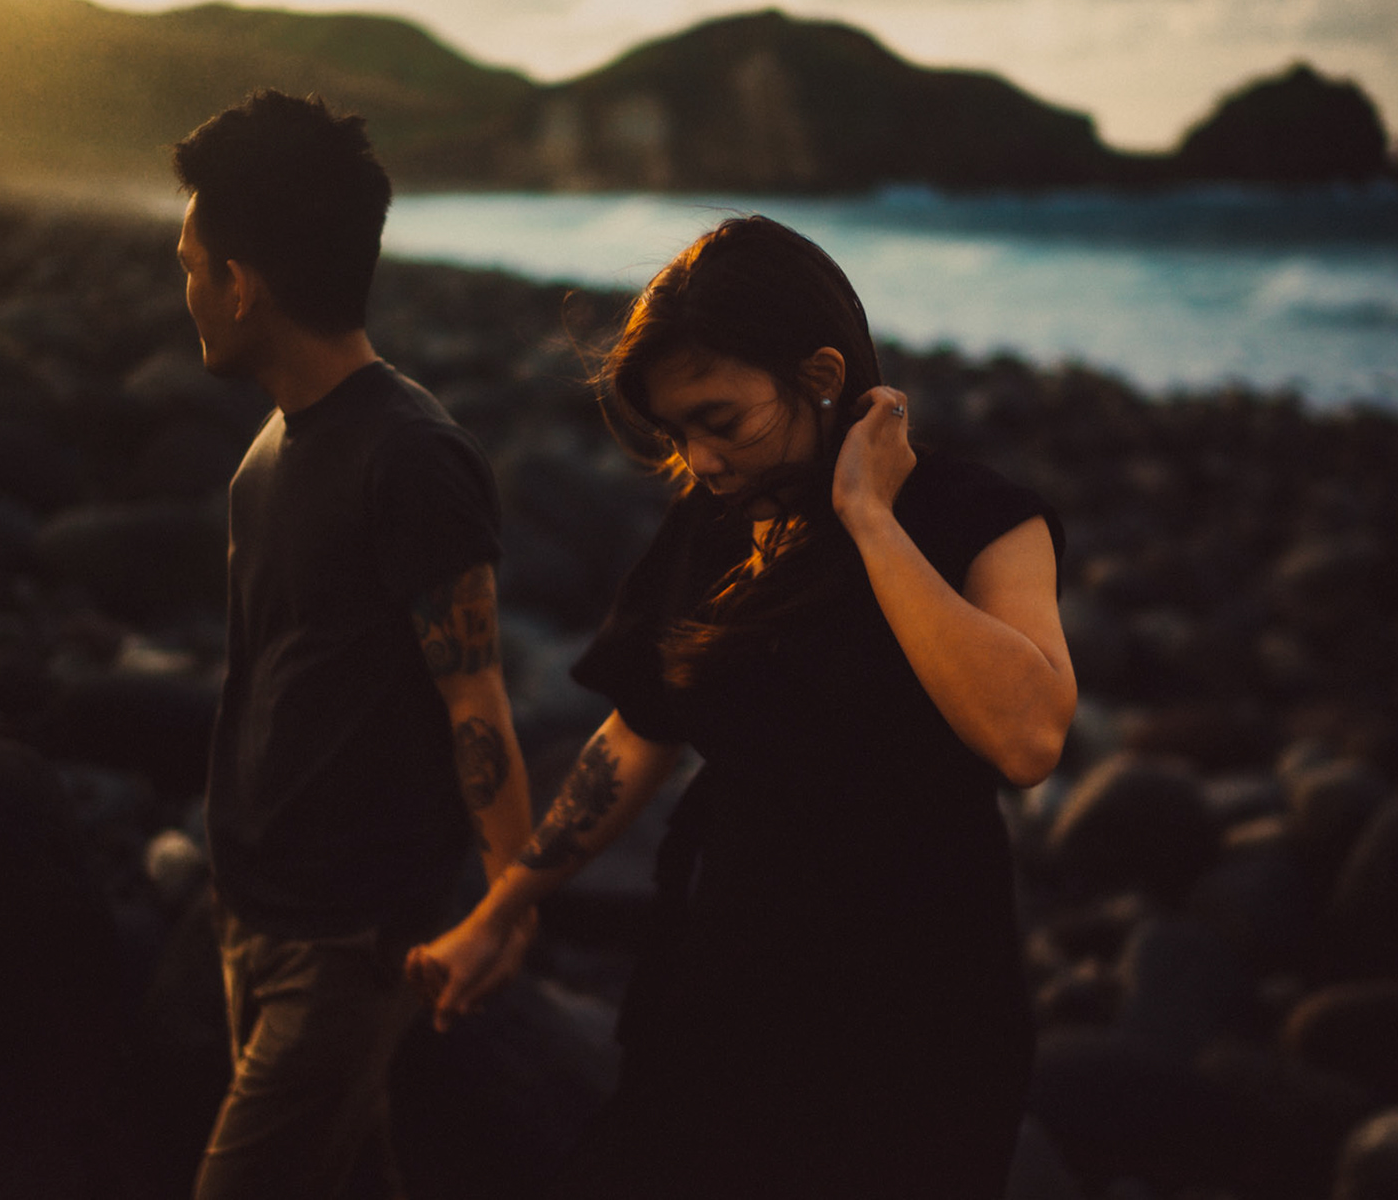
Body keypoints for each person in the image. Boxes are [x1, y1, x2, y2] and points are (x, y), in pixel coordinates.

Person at [406, 216, 1076, 1199]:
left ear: (819, 373)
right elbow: (636, 734)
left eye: (722, 421)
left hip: (912, 1020)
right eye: (680, 433)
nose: (703, 459)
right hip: (722, 984)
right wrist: (504, 909)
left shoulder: (978, 518)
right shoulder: (711, 528)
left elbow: (1027, 736)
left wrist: (870, 519)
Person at [172, 89, 535, 1200]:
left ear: (244, 281)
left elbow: (475, 696)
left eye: (190, 262)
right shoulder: (269, 452)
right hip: (258, 915)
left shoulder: (411, 458)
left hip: (349, 942)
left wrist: (508, 901)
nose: (183, 287)